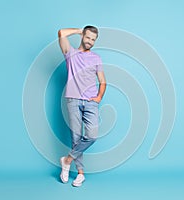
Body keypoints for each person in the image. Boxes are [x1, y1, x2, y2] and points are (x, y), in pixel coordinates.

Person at [58, 25, 106, 187]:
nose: (90, 41)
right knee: (76, 138)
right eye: (88, 37)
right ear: (82, 36)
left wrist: (98, 97)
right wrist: (80, 30)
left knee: (92, 136)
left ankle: (67, 160)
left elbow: (102, 81)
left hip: (91, 102)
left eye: (93, 39)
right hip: (73, 100)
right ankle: (80, 174)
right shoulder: (70, 54)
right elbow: (61, 33)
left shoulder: (96, 58)